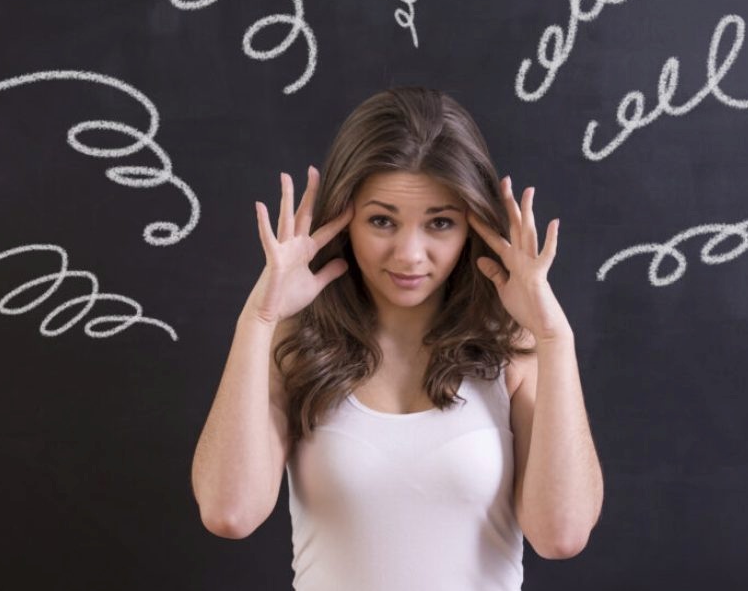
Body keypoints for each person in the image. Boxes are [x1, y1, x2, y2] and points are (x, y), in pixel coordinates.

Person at [191, 87, 603, 590]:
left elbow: (561, 535)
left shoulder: (514, 351)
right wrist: (258, 319)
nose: (409, 254)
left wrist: (555, 338)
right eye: (382, 221)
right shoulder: (297, 345)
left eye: (440, 223)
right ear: (345, 219)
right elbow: (229, 512)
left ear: (472, 227)